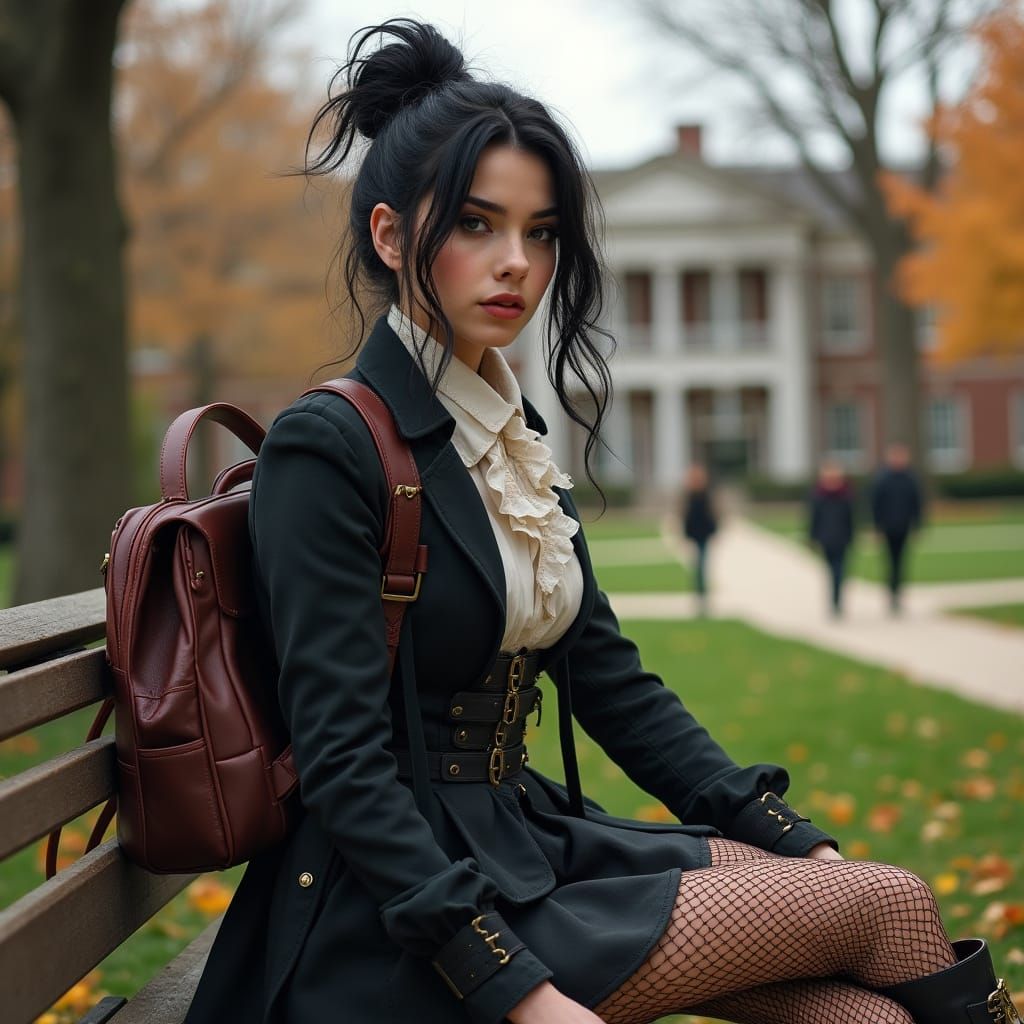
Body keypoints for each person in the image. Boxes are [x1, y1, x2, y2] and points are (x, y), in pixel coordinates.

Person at [183, 21, 1020, 1024]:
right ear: (391, 236)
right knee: (890, 902)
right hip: (393, 913)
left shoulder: (511, 435)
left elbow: (613, 683)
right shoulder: (332, 447)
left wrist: (791, 841)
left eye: (540, 232)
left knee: (865, 1005)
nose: (517, 264)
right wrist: (515, 992)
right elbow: (343, 767)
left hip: (530, 841)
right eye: (478, 225)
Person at [872, 442, 924, 614]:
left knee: (901, 562)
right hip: (887, 527)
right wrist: (876, 527)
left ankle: (898, 595)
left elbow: (917, 504)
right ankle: (891, 594)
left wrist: (917, 526)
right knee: (889, 562)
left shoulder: (910, 479)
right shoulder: (882, 479)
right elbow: (876, 505)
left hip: (903, 527)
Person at [809, 459, 856, 618]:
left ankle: (837, 601)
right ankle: (834, 601)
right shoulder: (819, 495)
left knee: (839, 571)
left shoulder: (845, 495)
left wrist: (852, 536)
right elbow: (814, 519)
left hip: (842, 538)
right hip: (826, 539)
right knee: (831, 571)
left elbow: (851, 519)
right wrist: (813, 538)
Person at [681, 463, 716, 613]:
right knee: (699, 564)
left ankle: (701, 593)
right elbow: (687, 516)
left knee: (701, 564)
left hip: (703, 533)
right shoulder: (692, 495)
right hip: (697, 533)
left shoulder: (704, 494)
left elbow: (711, 514)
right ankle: (700, 592)